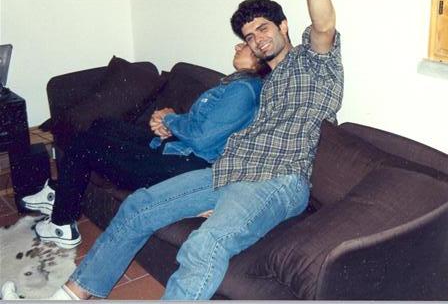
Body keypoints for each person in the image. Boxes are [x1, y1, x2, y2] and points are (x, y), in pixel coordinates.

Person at [1, 0, 342, 301]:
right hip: (227, 173)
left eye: (263, 28)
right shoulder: (262, 83)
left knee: (205, 245)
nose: (256, 39)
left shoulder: (311, 67)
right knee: (137, 207)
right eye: (249, 36)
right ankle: (68, 296)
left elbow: (324, 27)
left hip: (278, 181)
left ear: (283, 26)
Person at [18, 43, 268, 249]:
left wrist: (170, 120)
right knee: (104, 125)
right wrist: (169, 124)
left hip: (182, 167)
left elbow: (203, 138)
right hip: (176, 148)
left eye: (246, 45)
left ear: (258, 60)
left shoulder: (243, 90)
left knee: (86, 145)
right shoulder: (236, 85)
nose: (238, 46)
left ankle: (61, 224)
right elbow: (205, 126)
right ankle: (59, 191)